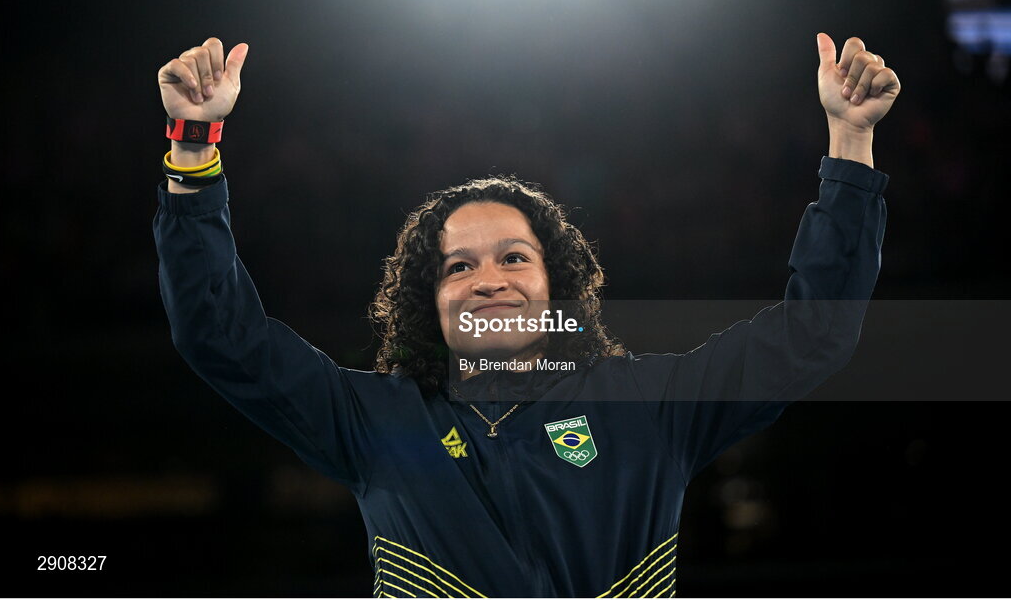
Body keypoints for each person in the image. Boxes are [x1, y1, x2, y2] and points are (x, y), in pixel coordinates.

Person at [154, 32, 898, 597]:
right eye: (459, 266)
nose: (488, 281)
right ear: (429, 301)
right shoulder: (371, 421)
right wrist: (194, 145)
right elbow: (220, 333)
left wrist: (852, 141)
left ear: (557, 284)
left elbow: (814, 333)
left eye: (514, 257)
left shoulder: (649, 407)